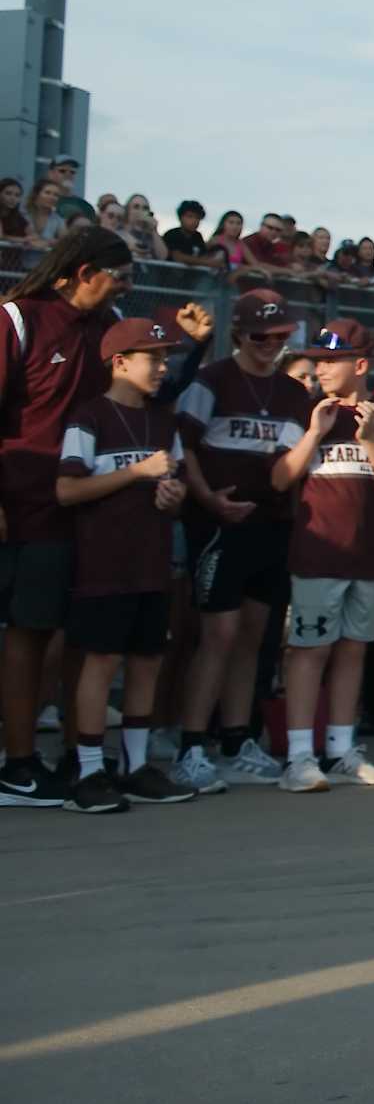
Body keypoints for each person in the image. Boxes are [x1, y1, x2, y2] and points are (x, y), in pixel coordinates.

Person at [0, 229, 135, 808]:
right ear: (84, 273)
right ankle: (18, 764)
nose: (123, 288)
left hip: (92, 509)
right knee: (28, 634)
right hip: (26, 507)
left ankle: (73, 758)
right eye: (118, 277)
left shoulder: (111, 327)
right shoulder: (18, 319)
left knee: (78, 634)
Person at [53, 319, 200, 812]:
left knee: (147, 661)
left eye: (165, 357)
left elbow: (173, 494)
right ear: (119, 362)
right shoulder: (88, 417)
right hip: (103, 565)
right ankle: (90, 770)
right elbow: (67, 489)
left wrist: (173, 493)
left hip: (153, 562)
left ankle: (134, 766)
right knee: (100, 663)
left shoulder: (164, 420)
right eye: (152, 357)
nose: (163, 367)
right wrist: (135, 471)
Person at [169, 289, 312, 792]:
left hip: (271, 523)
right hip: (217, 524)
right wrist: (208, 499)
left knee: (254, 634)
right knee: (218, 636)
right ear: (238, 336)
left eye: (280, 336)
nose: (270, 344)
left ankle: (235, 740)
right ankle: (191, 745)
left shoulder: (295, 393)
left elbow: (290, 466)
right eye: (260, 336)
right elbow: (181, 445)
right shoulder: (211, 381)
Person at [268, 319, 374, 792]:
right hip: (317, 554)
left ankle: (340, 750)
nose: (322, 368)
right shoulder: (305, 412)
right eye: (319, 360)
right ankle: (298, 757)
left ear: (361, 365)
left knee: (353, 650)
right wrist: (314, 434)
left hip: (368, 555)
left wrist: (369, 438)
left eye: (333, 360)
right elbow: (278, 478)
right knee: (309, 652)